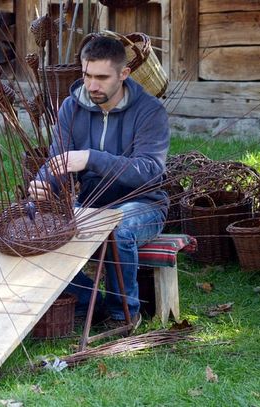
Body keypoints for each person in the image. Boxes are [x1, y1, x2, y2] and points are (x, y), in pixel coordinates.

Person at [29, 36, 170, 329]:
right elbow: (58, 160)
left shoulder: (149, 111)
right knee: (33, 223)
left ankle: (123, 315)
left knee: (118, 229)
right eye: (87, 75)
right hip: (90, 205)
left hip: (143, 205)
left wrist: (91, 158)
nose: (92, 85)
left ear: (124, 73)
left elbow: (150, 171)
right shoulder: (71, 107)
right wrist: (43, 184)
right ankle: (88, 301)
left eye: (102, 78)